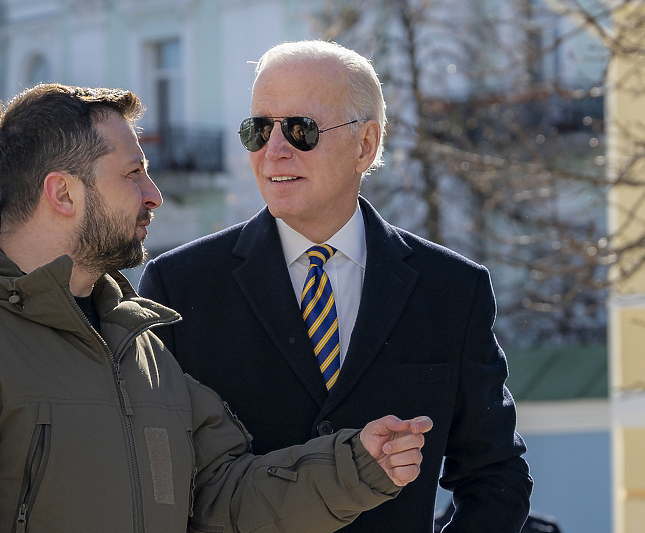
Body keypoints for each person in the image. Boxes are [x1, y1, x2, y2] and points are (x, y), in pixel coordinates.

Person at [0, 83, 433, 532]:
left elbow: (219, 496)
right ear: (63, 192)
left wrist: (357, 465)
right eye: (133, 173)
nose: (153, 194)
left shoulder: (138, 346)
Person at [138, 40, 534, 533]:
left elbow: (496, 475)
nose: (274, 151)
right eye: (258, 130)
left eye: (301, 129)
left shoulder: (453, 289)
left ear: (365, 145)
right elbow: (162, 485)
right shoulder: (179, 286)